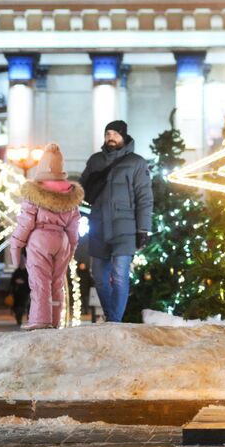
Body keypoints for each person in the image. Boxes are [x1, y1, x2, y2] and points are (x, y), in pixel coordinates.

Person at [79, 121, 151, 322]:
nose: (110, 137)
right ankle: (112, 316)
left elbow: (144, 198)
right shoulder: (95, 161)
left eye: (115, 134)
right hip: (99, 227)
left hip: (125, 228)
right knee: (100, 279)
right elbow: (81, 191)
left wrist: (143, 229)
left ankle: (114, 321)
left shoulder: (137, 162)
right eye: (107, 133)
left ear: (124, 137)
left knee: (120, 277)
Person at [8, 143, 82, 330]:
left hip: (39, 240)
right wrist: (71, 249)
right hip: (62, 240)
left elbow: (25, 223)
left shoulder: (35, 193)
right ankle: (55, 321)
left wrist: (16, 246)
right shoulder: (70, 195)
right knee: (57, 283)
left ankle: (40, 321)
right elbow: (74, 228)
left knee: (40, 282)